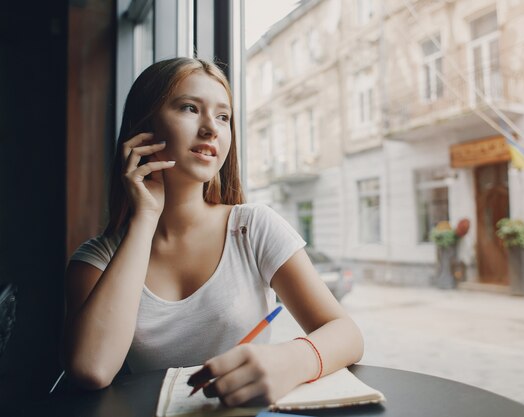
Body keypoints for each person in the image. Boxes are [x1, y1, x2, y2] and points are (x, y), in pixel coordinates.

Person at [62, 57, 363, 406]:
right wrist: (145, 217)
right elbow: (91, 369)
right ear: (142, 130)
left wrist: (290, 361)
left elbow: (348, 334)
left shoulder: (253, 228)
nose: (211, 129)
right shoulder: (96, 260)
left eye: (223, 116)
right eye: (190, 108)